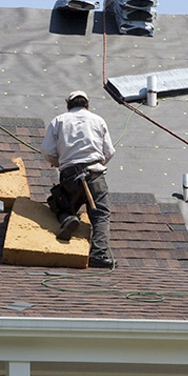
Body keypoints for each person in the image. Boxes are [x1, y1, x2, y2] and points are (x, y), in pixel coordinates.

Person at [41, 90, 117, 268]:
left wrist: (60, 162)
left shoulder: (59, 121)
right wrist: (97, 163)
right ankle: (98, 254)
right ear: (87, 105)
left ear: (69, 105)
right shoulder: (98, 120)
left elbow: (47, 151)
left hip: (70, 175)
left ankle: (67, 218)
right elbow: (109, 152)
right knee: (100, 214)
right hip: (94, 173)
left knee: (61, 205)